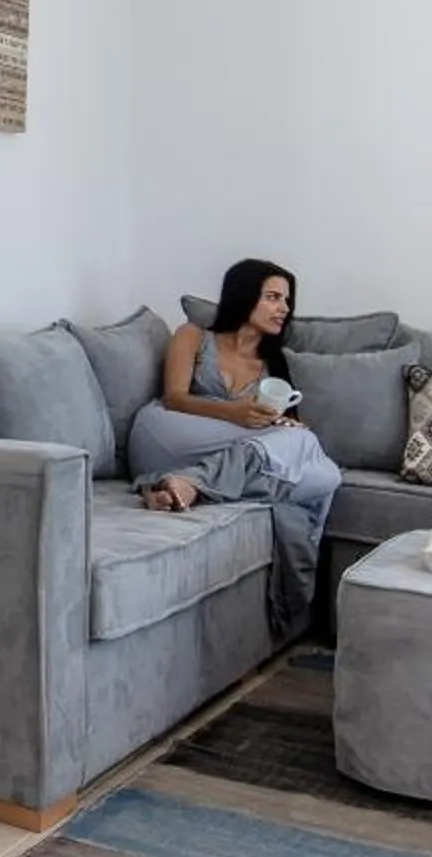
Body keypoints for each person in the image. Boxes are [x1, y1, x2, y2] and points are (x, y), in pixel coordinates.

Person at [130, 257, 339, 638]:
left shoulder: (271, 366)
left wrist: (279, 425)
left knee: (327, 474)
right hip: (169, 431)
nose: (284, 309)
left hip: (226, 448)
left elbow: (276, 434)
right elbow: (175, 397)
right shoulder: (193, 335)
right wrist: (234, 414)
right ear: (245, 296)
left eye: (287, 301)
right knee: (298, 453)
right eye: (274, 297)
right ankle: (189, 481)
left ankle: (181, 486)